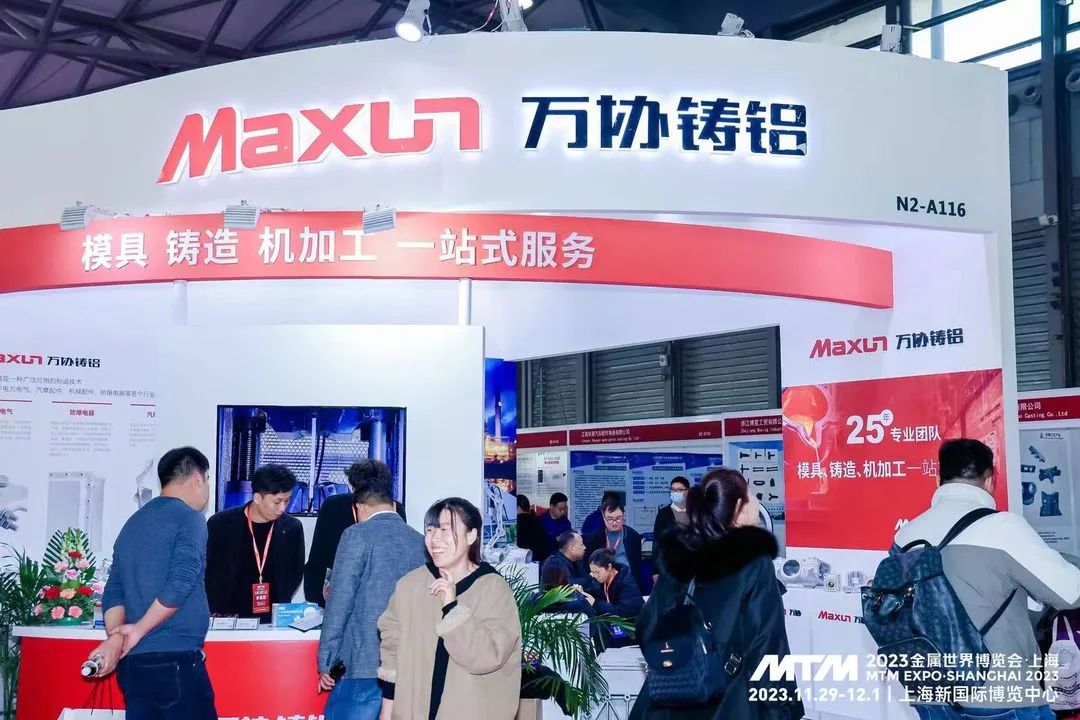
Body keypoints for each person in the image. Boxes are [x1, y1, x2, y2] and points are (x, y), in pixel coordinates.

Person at [895, 439, 1080, 720]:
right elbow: (1070, 592)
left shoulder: (906, 535)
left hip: (931, 692)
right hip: (1000, 694)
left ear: (937, 479)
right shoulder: (1003, 528)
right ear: (991, 481)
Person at [630, 468, 803, 720]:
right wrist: (781, 710)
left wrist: (680, 662)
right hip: (728, 702)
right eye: (752, 496)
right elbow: (767, 646)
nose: (757, 504)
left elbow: (647, 626)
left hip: (669, 700)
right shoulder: (753, 562)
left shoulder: (678, 552)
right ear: (738, 508)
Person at [86, 447, 217, 719]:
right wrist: (137, 630)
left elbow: (113, 592)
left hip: (135, 665)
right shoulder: (189, 518)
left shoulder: (133, 522)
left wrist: (118, 638)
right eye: (207, 479)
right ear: (198, 478)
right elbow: (180, 583)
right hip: (175, 660)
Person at [377, 498, 521, 719]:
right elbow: (391, 649)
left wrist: (452, 608)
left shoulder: (493, 588)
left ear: (471, 536)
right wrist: (387, 711)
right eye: (430, 530)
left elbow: (486, 656)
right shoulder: (410, 585)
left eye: (445, 530)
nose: (435, 539)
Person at [317, 461, 426, 720]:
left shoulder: (356, 536)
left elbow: (339, 602)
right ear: (393, 504)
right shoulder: (420, 541)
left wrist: (327, 660)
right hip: (408, 667)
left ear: (358, 508)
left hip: (362, 664)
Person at [205, 464, 306, 620]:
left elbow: (295, 572)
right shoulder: (220, 524)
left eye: (287, 501)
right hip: (228, 616)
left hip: (274, 617)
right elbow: (209, 571)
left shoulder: (292, 528)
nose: (282, 508)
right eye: (277, 502)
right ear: (258, 498)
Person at [305, 460, 407, 605]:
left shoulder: (394, 509)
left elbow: (398, 558)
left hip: (381, 593)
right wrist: (318, 602)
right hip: (339, 592)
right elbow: (318, 559)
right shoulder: (334, 507)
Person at [585, 499, 643, 588]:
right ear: (603, 518)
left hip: (626, 582)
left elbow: (637, 565)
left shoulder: (633, 536)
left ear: (623, 516)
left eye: (618, 518)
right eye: (610, 519)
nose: (614, 522)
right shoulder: (594, 538)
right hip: (602, 583)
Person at [652, 476, 692, 584]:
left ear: (687, 492)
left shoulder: (694, 513)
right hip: (668, 567)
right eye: (673, 490)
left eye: (679, 490)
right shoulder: (664, 514)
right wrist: (656, 571)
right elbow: (657, 543)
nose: (675, 493)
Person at [514, 494, 551, 564]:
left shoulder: (517, 522)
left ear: (518, 507)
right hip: (541, 560)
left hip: (526, 561)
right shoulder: (538, 520)